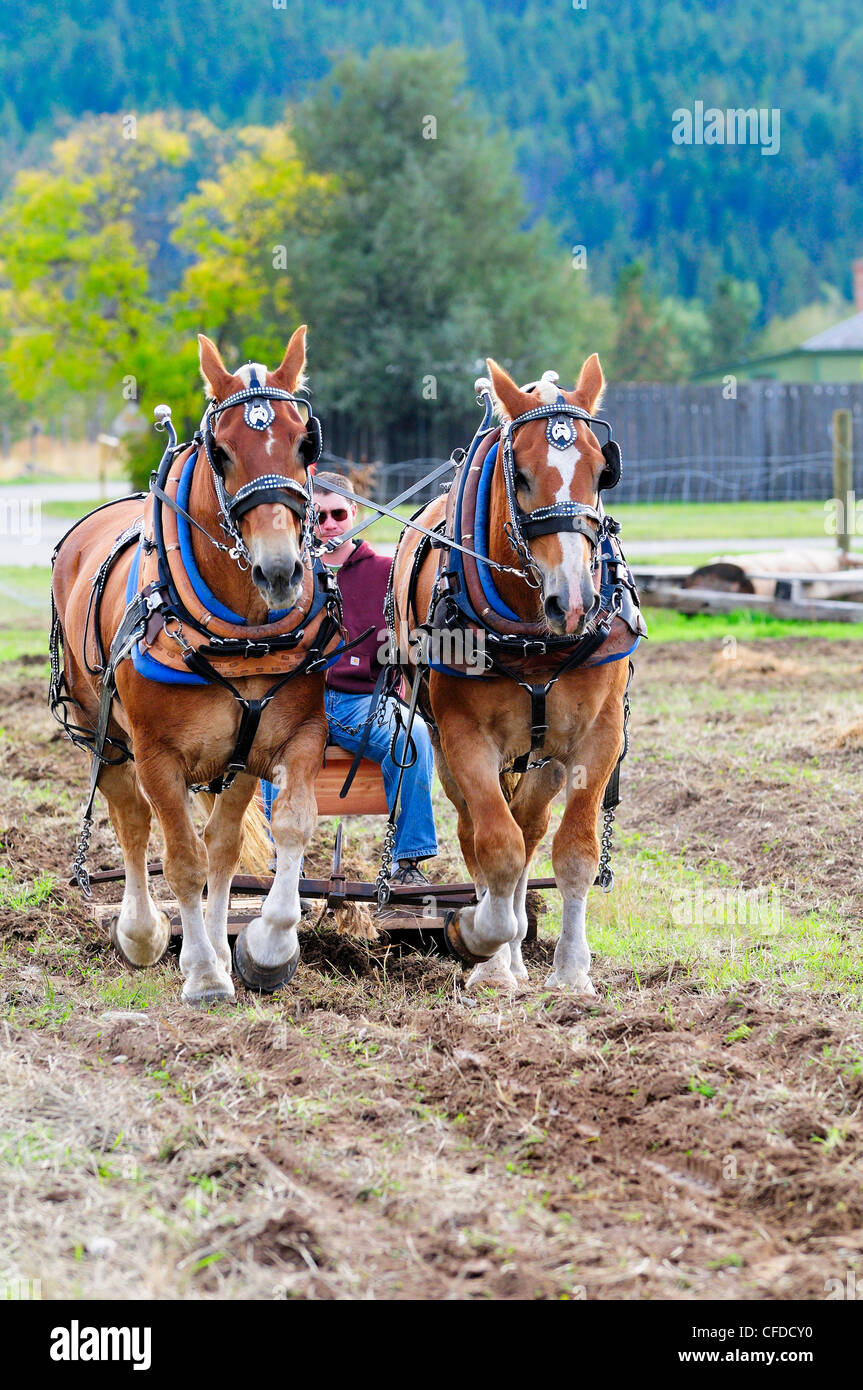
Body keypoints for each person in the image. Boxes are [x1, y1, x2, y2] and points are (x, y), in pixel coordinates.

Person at [261, 470, 438, 886]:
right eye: (318, 516)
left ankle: (407, 861)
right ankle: (284, 865)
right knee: (269, 748)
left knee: (413, 736)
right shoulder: (291, 574)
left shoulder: (387, 572)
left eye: (338, 514)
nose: (329, 525)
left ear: (354, 513)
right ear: (306, 519)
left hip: (365, 702)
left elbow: (410, 643)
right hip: (301, 705)